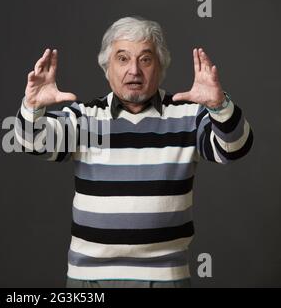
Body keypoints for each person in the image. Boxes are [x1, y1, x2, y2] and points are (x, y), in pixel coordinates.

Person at [13, 16, 253, 288]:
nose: (134, 71)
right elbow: (31, 142)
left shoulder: (188, 116)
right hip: (89, 280)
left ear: (160, 65)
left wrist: (219, 105)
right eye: (123, 59)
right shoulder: (85, 118)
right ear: (107, 67)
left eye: (146, 59)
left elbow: (234, 148)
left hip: (166, 278)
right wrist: (32, 107)